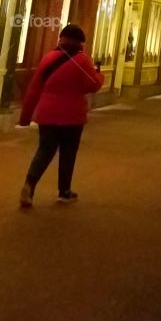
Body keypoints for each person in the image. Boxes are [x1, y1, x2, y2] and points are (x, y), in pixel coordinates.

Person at [17, 23, 104, 207]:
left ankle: (29, 184)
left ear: (61, 39)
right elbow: (92, 85)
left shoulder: (48, 58)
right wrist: (100, 76)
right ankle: (64, 191)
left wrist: (25, 117)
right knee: (68, 153)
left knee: (44, 151)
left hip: (47, 114)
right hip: (72, 116)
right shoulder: (83, 61)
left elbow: (34, 88)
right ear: (80, 43)